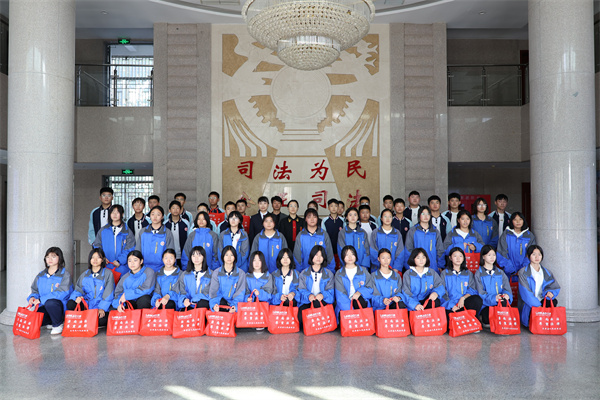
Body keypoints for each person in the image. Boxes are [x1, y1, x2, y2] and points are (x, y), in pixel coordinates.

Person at [27, 247, 73, 335]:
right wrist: (33, 297)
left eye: (53, 256)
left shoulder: (65, 275)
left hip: (58, 306)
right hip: (43, 305)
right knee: (35, 320)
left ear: (60, 258)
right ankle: (50, 321)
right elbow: (35, 290)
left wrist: (41, 299)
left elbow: (63, 292)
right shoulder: (41, 275)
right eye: (47, 257)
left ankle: (58, 324)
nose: (50, 259)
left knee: (50, 303)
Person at [68, 248, 114, 328]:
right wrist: (77, 297)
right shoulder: (85, 274)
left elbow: (109, 293)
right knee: (71, 303)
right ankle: (87, 319)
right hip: (87, 305)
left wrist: (102, 308)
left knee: (101, 320)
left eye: (98, 257)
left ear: (103, 259)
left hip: (100, 306)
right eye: (93, 257)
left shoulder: (108, 274)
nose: (95, 260)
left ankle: (85, 319)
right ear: (90, 259)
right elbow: (78, 289)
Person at [518, 245, 561, 327]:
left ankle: (546, 322)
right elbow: (525, 293)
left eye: (539, 254)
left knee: (553, 301)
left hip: (542, 300)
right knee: (533, 324)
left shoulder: (546, 272)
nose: (537, 257)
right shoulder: (523, 272)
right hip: (529, 303)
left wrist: (550, 292)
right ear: (528, 256)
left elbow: (553, 286)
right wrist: (538, 306)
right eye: (534, 254)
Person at [473, 245, 512, 327]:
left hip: (500, 302)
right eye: (489, 255)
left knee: (503, 304)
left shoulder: (500, 272)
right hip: (486, 304)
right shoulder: (478, 274)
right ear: (483, 257)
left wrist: (507, 294)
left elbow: (507, 288)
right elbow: (480, 292)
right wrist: (494, 298)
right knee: (488, 320)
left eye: (494, 255)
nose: (492, 257)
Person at [440, 247, 482, 322]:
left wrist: (463, 298)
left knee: (477, 299)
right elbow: (442, 292)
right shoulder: (444, 273)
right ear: (450, 258)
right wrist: (451, 305)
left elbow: (472, 289)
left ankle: (472, 321)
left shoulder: (468, 273)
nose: (458, 258)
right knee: (448, 321)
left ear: (463, 258)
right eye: (455, 256)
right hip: (450, 305)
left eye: (460, 256)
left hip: (463, 303)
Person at [93, 204, 136, 275]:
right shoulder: (103, 230)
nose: (115, 214)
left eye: (117, 212)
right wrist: (102, 257)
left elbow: (130, 248)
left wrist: (120, 260)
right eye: (112, 212)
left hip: (122, 267)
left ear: (122, 214)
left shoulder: (127, 231)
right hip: (105, 265)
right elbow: (97, 245)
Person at [333, 245, 375, 316]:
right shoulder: (339, 274)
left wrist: (360, 292)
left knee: (360, 301)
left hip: (361, 305)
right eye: (347, 255)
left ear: (355, 256)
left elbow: (370, 288)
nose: (350, 257)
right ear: (343, 257)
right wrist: (352, 312)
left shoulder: (363, 271)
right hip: (346, 309)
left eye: (352, 254)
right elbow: (340, 296)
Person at [404, 206, 445, 272]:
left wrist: (440, 265)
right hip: (417, 267)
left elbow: (440, 249)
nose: (426, 216)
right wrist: (409, 266)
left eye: (428, 214)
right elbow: (408, 250)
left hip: (433, 267)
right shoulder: (413, 231)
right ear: (419, 215)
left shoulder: (435, 231)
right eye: (423, 214)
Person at [297, 245, 335, 317]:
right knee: (301, 317)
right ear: (312, 257)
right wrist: (309, 296)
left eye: (321, 255)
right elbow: (301, 290)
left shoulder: (329, 274)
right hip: (307, 301)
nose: (318, 258)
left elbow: (331, 291)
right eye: (316, 255)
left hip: (323, 300)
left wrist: (323, 295)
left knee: (318, 307)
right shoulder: (304, 273)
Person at [293, 208, 335, 273]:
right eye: (309, 217)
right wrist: (299, 273)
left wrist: (330, 272)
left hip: (322, 273)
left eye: (314, 217)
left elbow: (329, 254)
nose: (312, 219)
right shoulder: (301, 235)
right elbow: (297, 257)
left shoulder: (323, 234)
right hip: (305, 273)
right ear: (305, 219)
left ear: (317, 218)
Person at [136, 205, 175, 272]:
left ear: (162, 217)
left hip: (162, 268)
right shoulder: (143, 231)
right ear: (150, 216)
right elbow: (138, 250)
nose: (155, 217)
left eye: (158, 215)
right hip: (144, 268)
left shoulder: (167, 232)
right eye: (153, 214)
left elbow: (170, 252)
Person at [497, 212, 536, 276]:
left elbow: (531, 254)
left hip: (525, 273)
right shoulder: (506, 235)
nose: (518, 222)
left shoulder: (529, 236)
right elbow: (501, 253)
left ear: (523, 220)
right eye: (515, 219)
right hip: (508, 273)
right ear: (511, 221)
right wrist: (511, 270)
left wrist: (522, 270)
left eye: (520, 219)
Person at [209, 246, 247, 312]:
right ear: (223, 257)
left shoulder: (241, 273)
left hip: (233, 305)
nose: (229, 257)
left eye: (231, 255)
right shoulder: (216, 273)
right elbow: (214, 292)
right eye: (226, 255)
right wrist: (214, 304)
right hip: (220, 303)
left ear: (235, 257)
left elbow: (240, 293)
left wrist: (235, 306)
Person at [165, 200, 190, 268]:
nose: (175, 210)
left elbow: (189, 237)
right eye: (173, 208)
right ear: (169, 210)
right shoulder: (165, 224)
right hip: (169, 254)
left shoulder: (186, 223)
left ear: (180, 210)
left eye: (177, 208)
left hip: (183, 254)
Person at [321, 198, 344, 268]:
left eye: (336, 206)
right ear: (328, 208)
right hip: (329, 248)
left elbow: (344, 235)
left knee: (340, 267)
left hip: (340, 248)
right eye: (331, 206)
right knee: (330, 267)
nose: (334, 208)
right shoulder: (325, 220)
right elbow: (323, 235)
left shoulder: (342, 220)